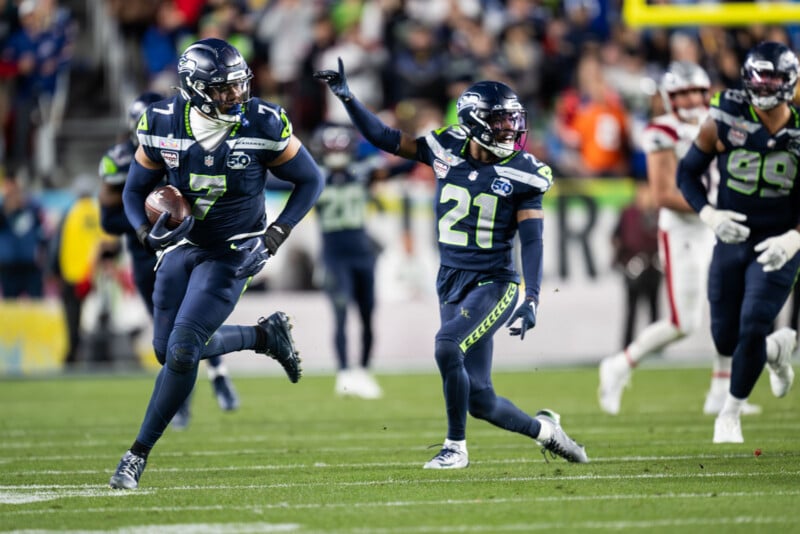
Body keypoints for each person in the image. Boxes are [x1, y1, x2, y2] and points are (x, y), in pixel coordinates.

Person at [315, 59, 589, 468]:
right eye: (499, 121)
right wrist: (348, 98)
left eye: (512, 120)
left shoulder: (525, 172)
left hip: (495, 281)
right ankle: (547, 431)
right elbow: (388, 138)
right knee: (481, 399)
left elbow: (532, 240)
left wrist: (532, 296)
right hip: (452, 280)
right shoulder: (444, 148)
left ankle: (455, 447)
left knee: (447, 346)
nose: (509, 129)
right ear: (475, 122)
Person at [109, 38, 324, 489]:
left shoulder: (263, 122)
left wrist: (275, 235)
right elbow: (133, 191)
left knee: (185, 349)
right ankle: (263, 336)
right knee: (166, 352)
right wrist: (146, 233)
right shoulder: (163, 122)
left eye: (239, 85)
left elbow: (310, 179)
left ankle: (136, 455)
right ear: (195, 88)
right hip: (181, 247)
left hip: (234, 249)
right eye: (224, 89)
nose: (237, 96)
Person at [598, 61, 792, 416]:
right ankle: (620, 365)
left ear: (706, 92)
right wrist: (714, 209)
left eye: (694, 91)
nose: (689, 99)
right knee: (682, 324)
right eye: (681, 92)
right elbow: (662, 194)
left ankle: (722, 391)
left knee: (729, 306)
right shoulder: (662, 130)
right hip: (685, 230)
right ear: (669, 97)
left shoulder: (723, 121)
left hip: (720, 227)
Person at [677, 42, 800, 443]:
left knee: (752, 324)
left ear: (790, 81)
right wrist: (710, 215)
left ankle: (730, 413)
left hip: (778, 243)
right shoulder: (725, 117)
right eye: (759, 77)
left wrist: (795, 239)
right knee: (726, 338)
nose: (765, 86)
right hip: (732, 238)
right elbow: (686, 174)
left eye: (774, 78)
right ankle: (776, 352)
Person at [99, 91, 240, 427]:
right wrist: (150, 225)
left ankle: (218, 372)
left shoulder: (186, 146)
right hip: (147, 256)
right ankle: (185, 403)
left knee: (195, 324)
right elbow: (108, 218)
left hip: (186, 251)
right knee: (167, 343)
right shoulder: (121, 158)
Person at [311, 123, 383, 399]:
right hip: (334, 255)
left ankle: (363, 371)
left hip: (363, 253)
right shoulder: (316, 178)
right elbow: (278, 180)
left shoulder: (363, 173)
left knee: (367, 316)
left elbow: (396, 166)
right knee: (340, 315)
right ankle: (343, 373)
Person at [610, 179, 661, 348]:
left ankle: (655, 346)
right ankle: (627, 346)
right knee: (632, 310)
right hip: (633, 268)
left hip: (654, 267)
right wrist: (622, 260)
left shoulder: (659, 214)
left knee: (654, 309)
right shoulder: (628, 213)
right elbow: (616, 237)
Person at [0, 175, 48, 299]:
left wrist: (42, 251)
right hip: (9, 263)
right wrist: (7, 208)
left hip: (30, 262)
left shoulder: (32, 206)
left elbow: (43, 230)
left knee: (36, 301)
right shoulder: (2, 207)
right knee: (10, 302)